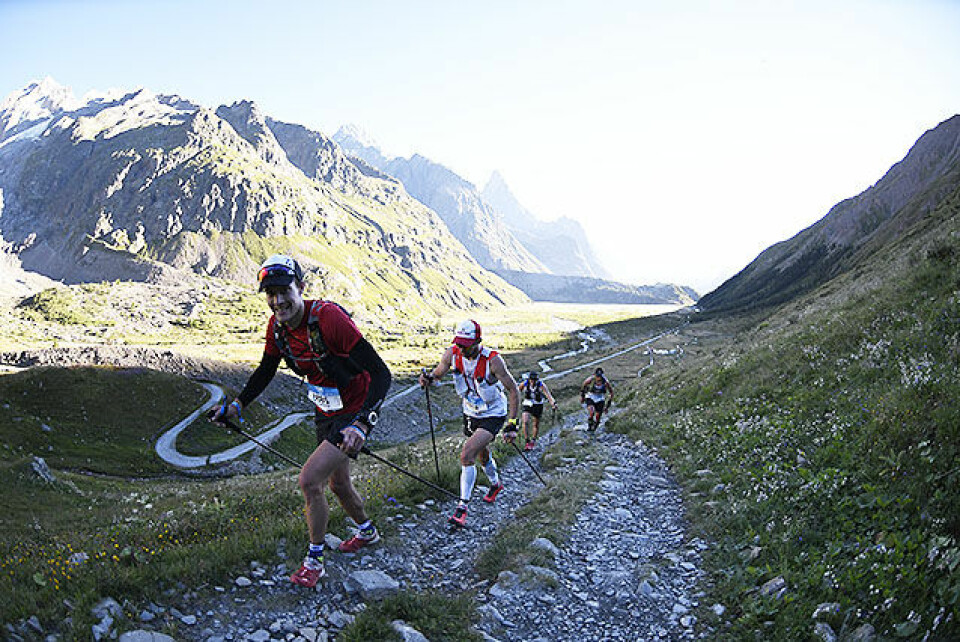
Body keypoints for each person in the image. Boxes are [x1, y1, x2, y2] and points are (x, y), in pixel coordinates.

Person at [211, 254, 391, 588]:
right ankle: (368, 533)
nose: (278, 300)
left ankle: (315, 561)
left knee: (309, 481)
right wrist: (238, 404)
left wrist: (362, 424)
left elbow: (381, 373)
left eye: (284, 291)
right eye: (270, 293)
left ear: (301, 288)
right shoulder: (277, 327)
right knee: (337, 484)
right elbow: (266, 370)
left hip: (354, 409)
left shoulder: (329, 319)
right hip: (325, 408)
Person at [418, 319, 520, 527]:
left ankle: (462, 507)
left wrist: (512, 423)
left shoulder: (493, 360)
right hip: (470, 412)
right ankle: (495, 484)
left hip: (493, 413)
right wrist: (428, 379)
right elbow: (437, 374)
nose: (462, 348)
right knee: (481, 454)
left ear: (478, 341)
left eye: (466, 345)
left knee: (467, 453)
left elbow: (513, 390)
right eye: (459, 343)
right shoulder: (452, 353)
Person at [519, 371, 557, 451]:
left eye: (534, 380)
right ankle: (527, 441)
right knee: (525, 421)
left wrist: (552, 403)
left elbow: (548, 394)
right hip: (527, 403)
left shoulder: (541, 385)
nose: (533, 381)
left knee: (535, 423)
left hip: (538, 404)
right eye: (531, 379)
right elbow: (517, 390)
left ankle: (533, 440)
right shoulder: (524, 384)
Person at [580, 366, 613, 431]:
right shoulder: (590, 380)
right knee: (591, 412)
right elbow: (583, 386)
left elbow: (611, 393)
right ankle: (589, 426)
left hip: (600, 398)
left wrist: (607, 406)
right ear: (595, 375)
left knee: (598, 416)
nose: (598, 378)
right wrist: (582, 397)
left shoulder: (606, 382)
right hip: (591, 396)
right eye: (597, 376)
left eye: (600, 377)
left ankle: (595, 427)